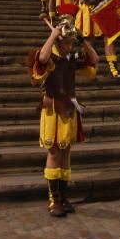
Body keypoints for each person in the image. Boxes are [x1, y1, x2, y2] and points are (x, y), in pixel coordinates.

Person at [30, 15, 98, 216]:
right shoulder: (50, 56)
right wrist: (54, 34)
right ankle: (54, 199)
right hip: (52, 110)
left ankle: (64, 195)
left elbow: (94, 60)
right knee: (54, 152)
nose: (69, 47)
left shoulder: (71, 58)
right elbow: (41, 59)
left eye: (70, 44)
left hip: (69, 108)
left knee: (66, 153)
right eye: (66, 43)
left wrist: (82, 40)